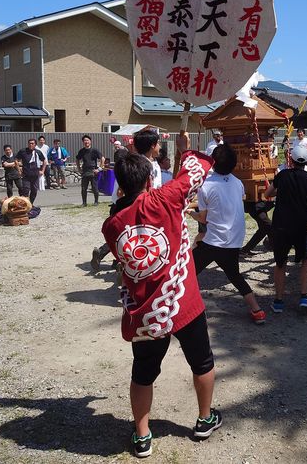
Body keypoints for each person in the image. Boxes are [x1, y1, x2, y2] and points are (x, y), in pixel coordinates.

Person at [101, 150, 221, 458]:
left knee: (143, 372)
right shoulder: (164, 199)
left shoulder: (112, 226)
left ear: (120, 184)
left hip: (144, 313)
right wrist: (187, 152)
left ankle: (143, 436)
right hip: (182, 300)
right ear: (150, 179)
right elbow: (197, 171)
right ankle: (205, 418)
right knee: (202, 361)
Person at [189, 144, 266, 325]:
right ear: (234, 164)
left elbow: (203, 218)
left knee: (187, 271)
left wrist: (189, 212)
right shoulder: (238, 183)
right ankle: (257, 310)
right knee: (234, 275)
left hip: (215, 242)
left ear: (212, 162)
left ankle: (176, 306)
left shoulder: (205, 185)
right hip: (234, 239)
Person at [264, 145, 307, 313]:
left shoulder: (282, 175)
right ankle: (304, 295)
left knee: (280, 262)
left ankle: (278, 301)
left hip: (281, 224)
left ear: (291, 159)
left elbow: (268, 194)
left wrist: (282, 192)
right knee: (306, 258)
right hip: (301, 224)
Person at [76, 134, 104, 206]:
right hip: (85, 171)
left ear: (90, 141)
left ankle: (96, 202)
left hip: (93, 171)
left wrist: (99, 168)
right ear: (83, 142)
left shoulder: (94, 150)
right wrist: (79, 168)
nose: (86, 142)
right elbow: (77, 159)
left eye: (87, 140)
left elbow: (102, 158)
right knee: (83, 188)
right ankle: (84, 203)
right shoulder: (82, 151)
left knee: (94, 188)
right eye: (85, 140)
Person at [16, 139, 46, 204]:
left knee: (34, 191)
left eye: (32, 143)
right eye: (29, 143)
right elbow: (16, 160)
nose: (30, 145)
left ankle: (31, 204)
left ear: (35, 145)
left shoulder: (38, 152)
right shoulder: (23, 151)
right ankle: (25, 204)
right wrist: (19, 171)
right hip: (26, 175)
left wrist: (42, 170)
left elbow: (44, 161)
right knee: (26, 190)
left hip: (35, 175)